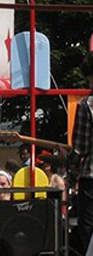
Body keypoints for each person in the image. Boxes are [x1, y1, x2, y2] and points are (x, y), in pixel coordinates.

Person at [71, 51, 93, 250]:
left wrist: (69, 161)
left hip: (91, 177)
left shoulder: (88, 104)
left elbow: (80, 147)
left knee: (88, 228)